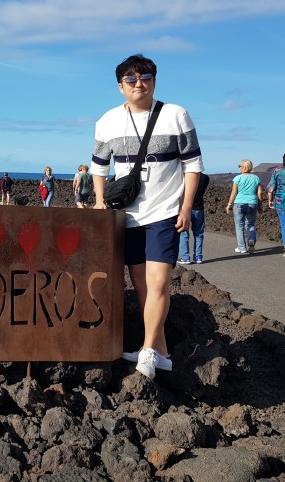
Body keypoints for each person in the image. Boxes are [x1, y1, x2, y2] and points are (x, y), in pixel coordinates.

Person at [90, 54, 203, 380]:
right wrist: (99, 201)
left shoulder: (176, 115)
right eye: (131, 78)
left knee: (159, 282)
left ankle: (148, 350)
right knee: (142, 286)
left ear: (154, 81)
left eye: (146, 77)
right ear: (120, 86)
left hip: (164, 213)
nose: (139, 83)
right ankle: (162, 352)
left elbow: (193, 165)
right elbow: (99, 167)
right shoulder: (108, 121)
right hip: (127, 217)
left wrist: (185, 207)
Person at [225, 160, 263, 254]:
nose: (239, 168)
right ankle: (251, 241)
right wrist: (260, 205)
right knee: (250, 224)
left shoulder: (237, 178)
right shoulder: (256, 178)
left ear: (244, 167)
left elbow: (234, 192)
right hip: (252, 203)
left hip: (239, 203)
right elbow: (259, 192)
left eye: (240, 166)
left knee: (239, 226)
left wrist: (229, 204)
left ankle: (242, 247)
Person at [178, 172, 210, 264]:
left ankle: (185, 257)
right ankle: (198, 256)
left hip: (185, 208)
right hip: (199, 208)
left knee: (183, 232)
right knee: (199, 233)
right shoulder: (205, 178)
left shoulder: (183, 177)